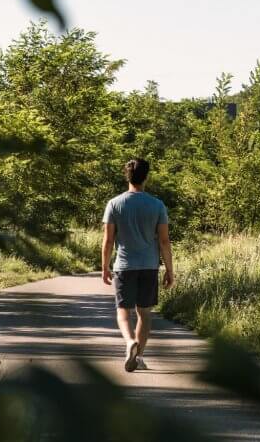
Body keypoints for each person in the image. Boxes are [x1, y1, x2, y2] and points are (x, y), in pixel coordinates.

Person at [101, 157, 175, 372]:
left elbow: (108, 240)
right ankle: (139, 355)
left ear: (127, 176)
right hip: (149, 266)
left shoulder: (114, 204)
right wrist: (170, 270)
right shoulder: (157, 205)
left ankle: (129, 342)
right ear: (146, 177)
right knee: (144, 313)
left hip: (124, 265)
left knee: (123, 311)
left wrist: (105, 267)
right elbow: (164, 241)